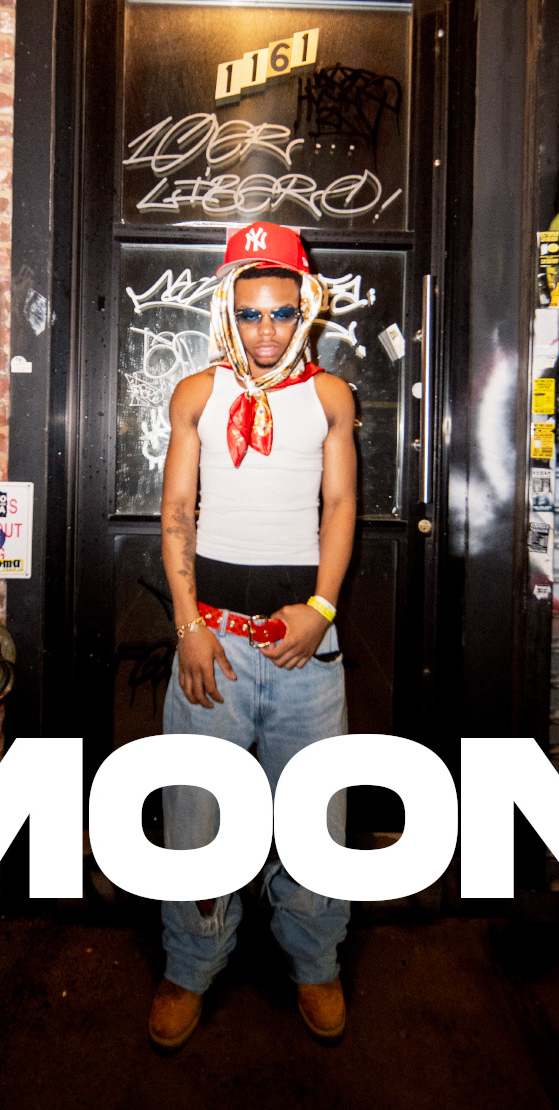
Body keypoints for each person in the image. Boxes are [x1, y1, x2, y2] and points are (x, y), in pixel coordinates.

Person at [149, 223, 358, 1052]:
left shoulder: (331, 397)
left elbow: (339, 507)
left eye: (280, 311)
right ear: (226, 312)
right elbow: (176, 513)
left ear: (305, 311)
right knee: (196, 815)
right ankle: (190, 962)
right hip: (217, 646)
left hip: (307, 651)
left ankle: (314, 960)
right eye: (249, 312)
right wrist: (189, 627)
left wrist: (322, 609)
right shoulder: (196, 394)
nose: (265, 329)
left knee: (315, 816)